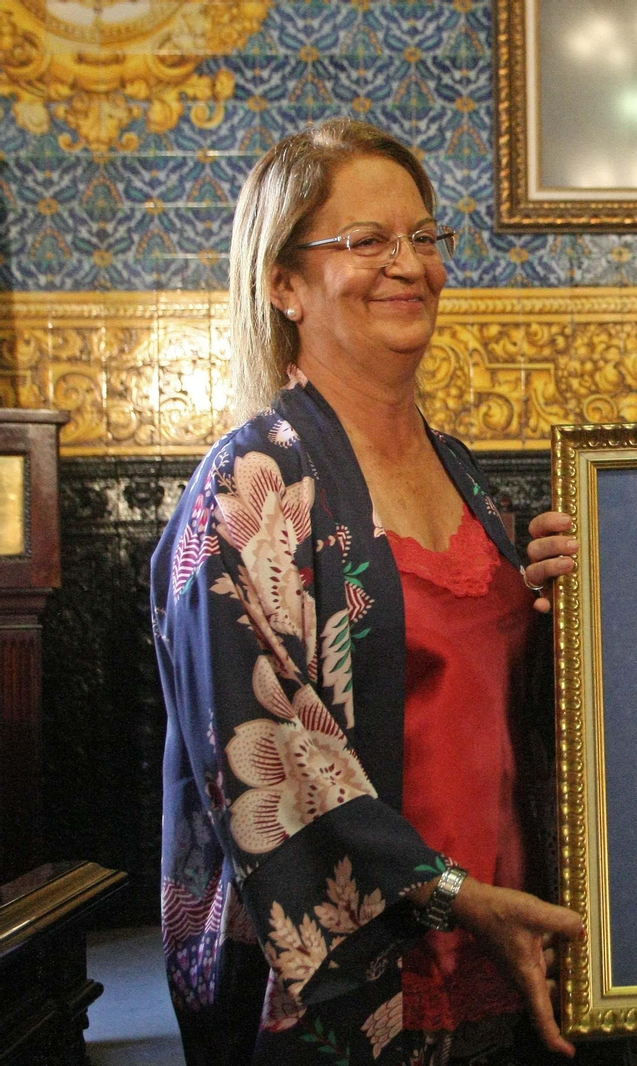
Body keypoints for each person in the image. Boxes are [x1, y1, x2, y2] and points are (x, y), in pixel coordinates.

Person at [152, 119, 582, 1065]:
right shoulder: (251, 486)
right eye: (366, 242)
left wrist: (568, 603)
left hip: (509, 961)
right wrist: (453, 896)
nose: (409, 265)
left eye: (425, 238)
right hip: (365, 985)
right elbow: (267, 757)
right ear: (283, 282)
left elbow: (492, 710)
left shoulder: (463, 472)